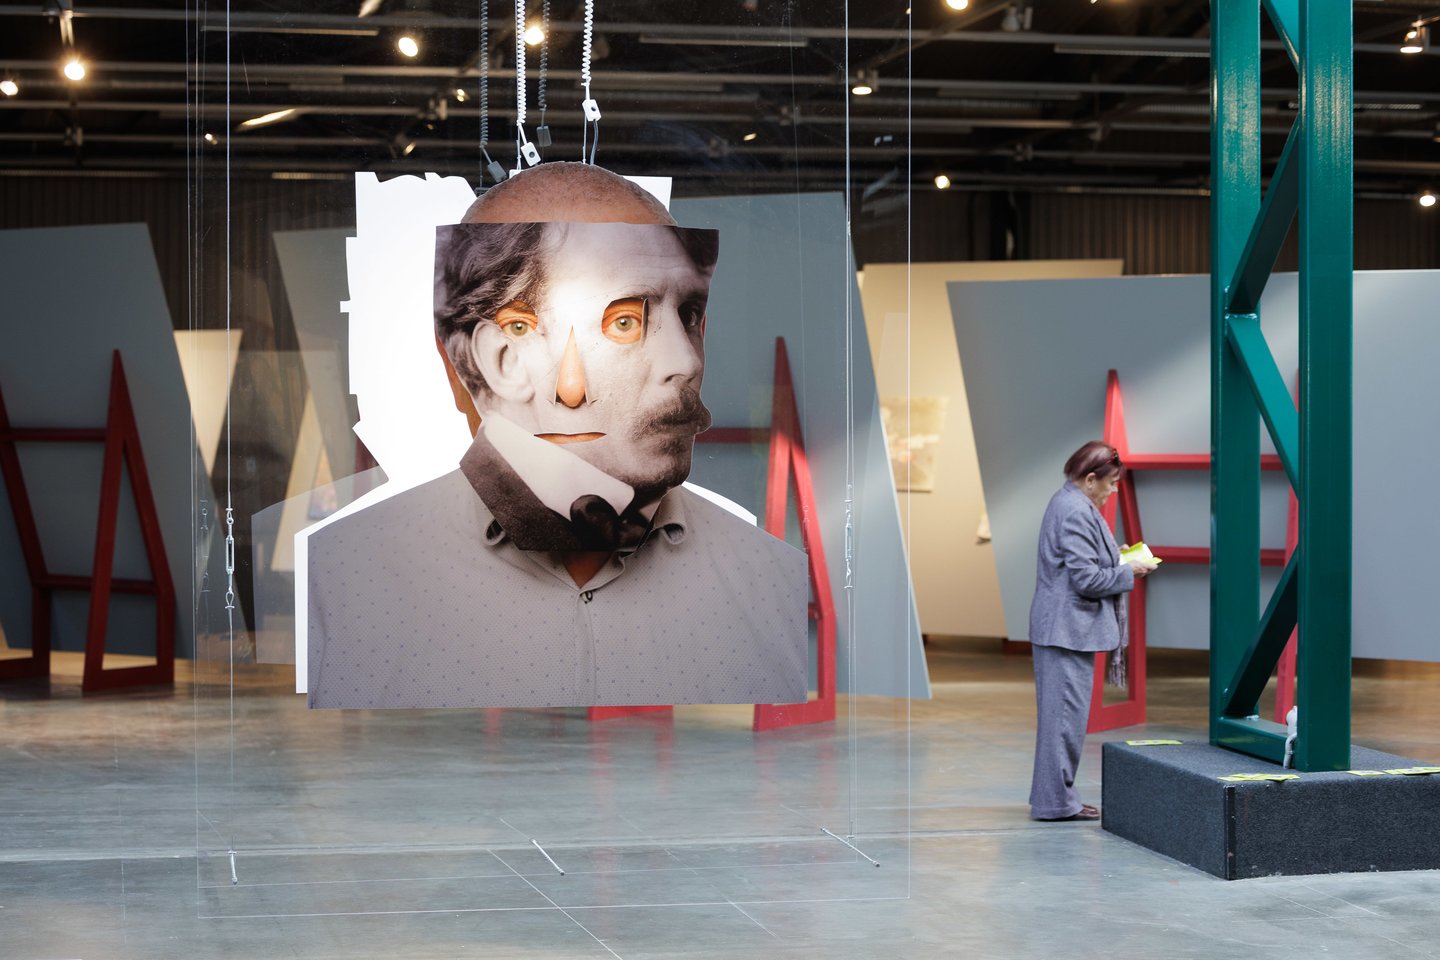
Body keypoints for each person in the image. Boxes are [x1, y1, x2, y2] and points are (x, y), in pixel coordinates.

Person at [305, 163, 810, 710]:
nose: (684, 361)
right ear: (494, 358)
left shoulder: (770, 582)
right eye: (624, 322)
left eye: (688, 315)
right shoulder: (347, 581)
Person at [1027, 441, 1156, 821]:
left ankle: (1057, 799)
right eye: (1111, 483)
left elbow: (1082, 564)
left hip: (1066, 629)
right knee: (1062, 724)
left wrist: (1117, 558)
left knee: (1062, 722)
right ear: (1089, 479)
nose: (1113, 490)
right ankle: (1055, 804)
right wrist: (1127, 571)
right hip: (1066, 630)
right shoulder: (1074, 511)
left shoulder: (1072, 503)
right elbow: (1086, 580)